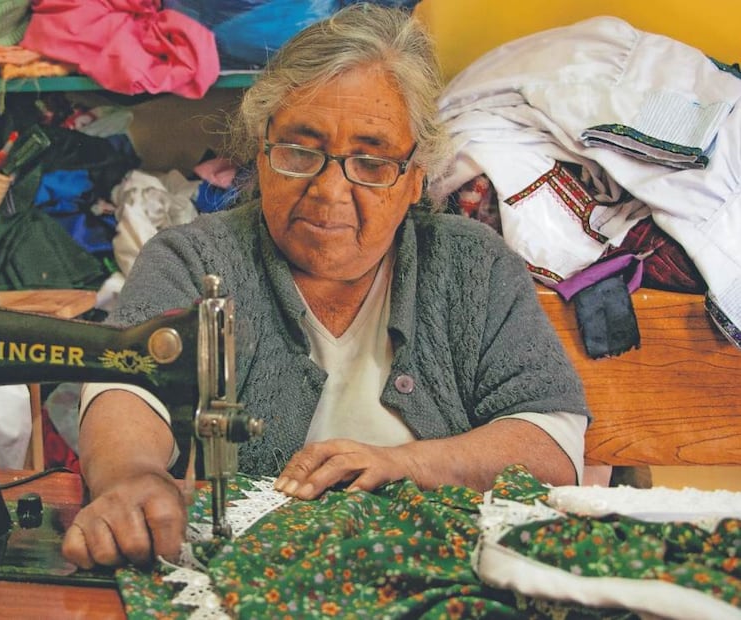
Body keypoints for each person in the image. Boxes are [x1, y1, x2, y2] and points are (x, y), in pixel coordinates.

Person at [62, 3, 590, 570]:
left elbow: (551, 442)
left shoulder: (472, 267)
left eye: (371, 161)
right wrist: (129, 475)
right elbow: (125, 390)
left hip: (434, 575)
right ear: (260, 154)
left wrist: (409, 463)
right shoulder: (194, 259)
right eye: (299, 150)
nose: (329, 190)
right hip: (255, 578)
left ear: (415, 179)